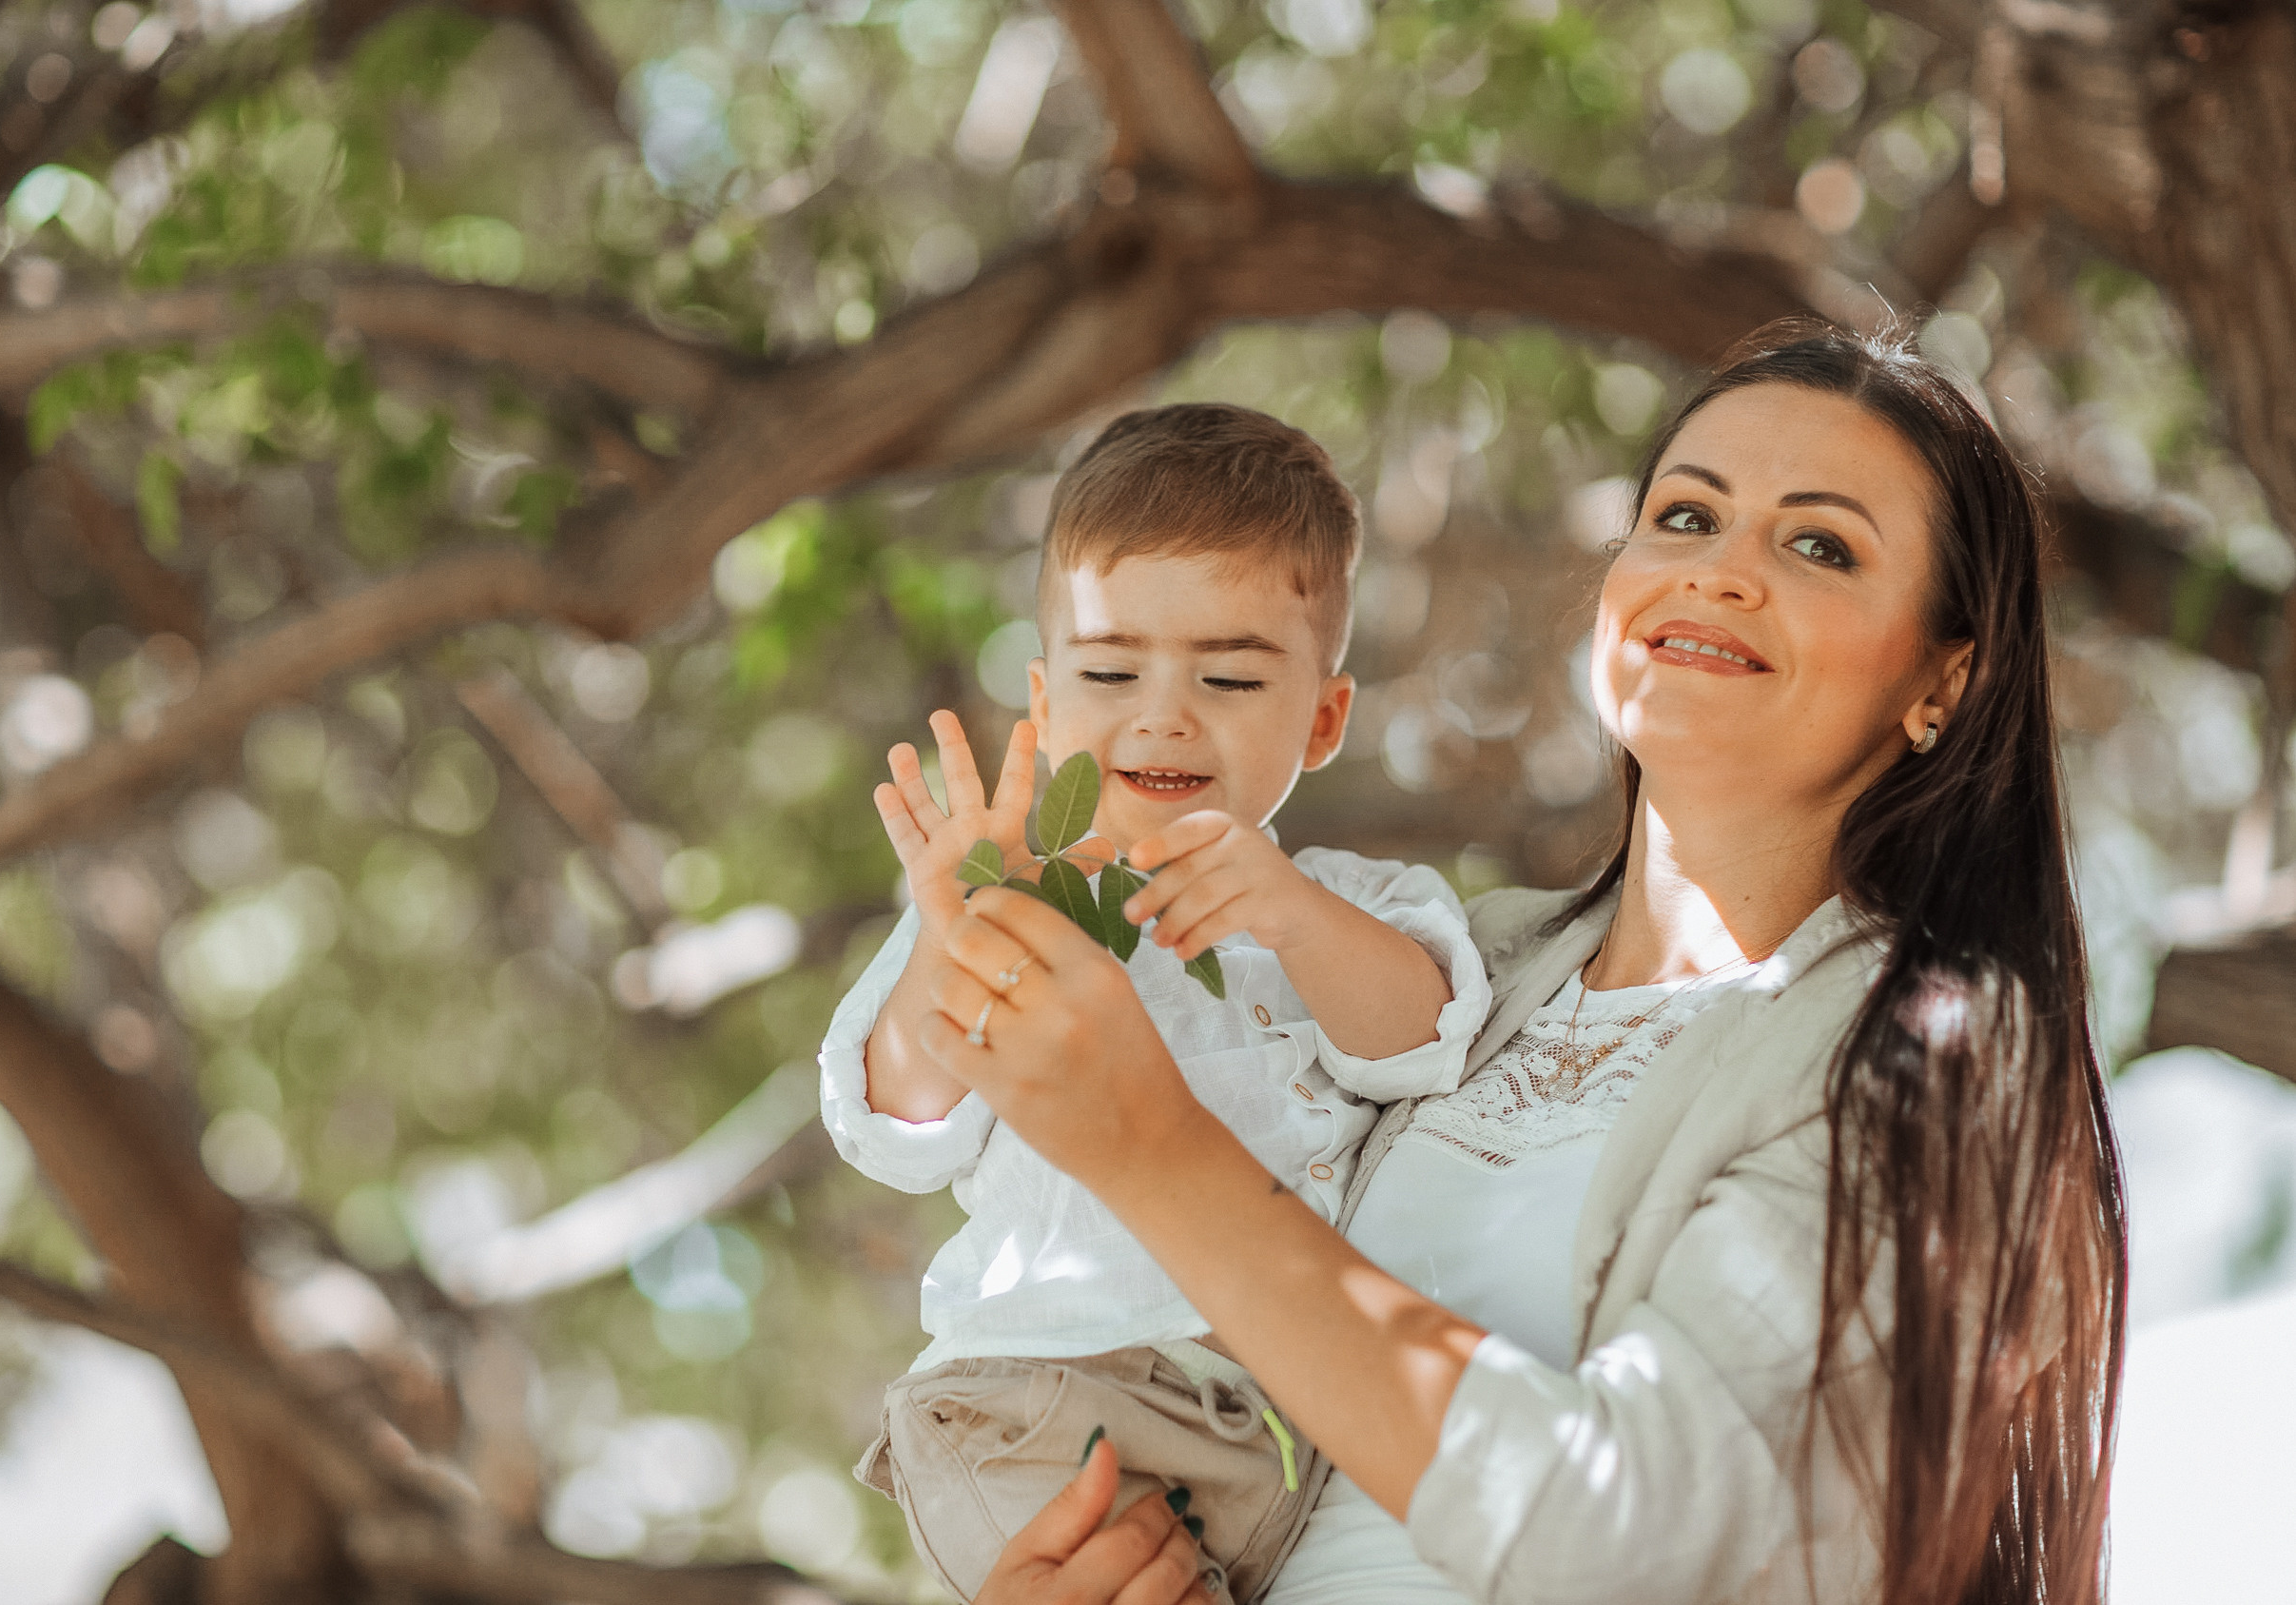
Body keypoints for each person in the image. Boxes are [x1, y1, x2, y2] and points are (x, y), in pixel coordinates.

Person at [906, 325, 2128, 1604]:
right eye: (1684, 515)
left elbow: (1637, 1532)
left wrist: (1150, 1146)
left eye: (1815, 542)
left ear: (1945, 674)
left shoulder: (1929, 1040)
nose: (1720, 571)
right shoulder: (1451, 970)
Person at [821, 404, 1496, 1599]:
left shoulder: (1350, 902)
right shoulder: (1006, 900)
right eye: (1111, 668)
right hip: (1040, 1394)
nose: (1165, 711)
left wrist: (1285, 909)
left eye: (1230, 674)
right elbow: (895, 1124)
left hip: (1277, 1423)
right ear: (1043, 699)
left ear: (1324, 718)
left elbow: (1425, 1044)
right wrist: (957, 934)